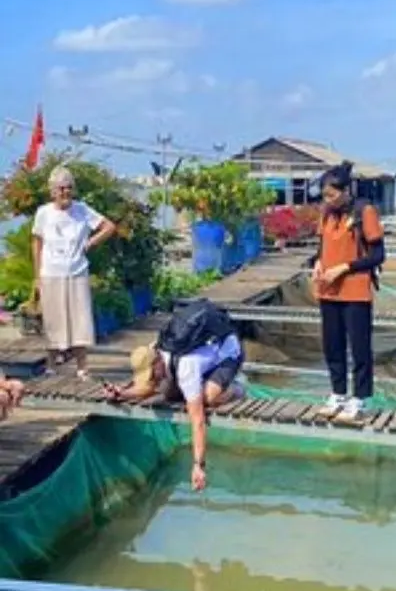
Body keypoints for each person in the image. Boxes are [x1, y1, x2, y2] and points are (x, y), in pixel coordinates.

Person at [106, 299, 250, 493]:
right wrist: (122, 393)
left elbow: (197, 421)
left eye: (151, 374)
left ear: (157, 362)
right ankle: (204, 383)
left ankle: (237, 389)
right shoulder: (156, 349)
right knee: (167, 392)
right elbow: (149, 387)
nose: (151, 379)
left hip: (228, 353)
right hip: (202, 357)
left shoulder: (186, 368)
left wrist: (198, 465)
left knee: (207, 399)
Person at [310, 164, 386, 421]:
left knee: (360, 347)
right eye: (324, 195)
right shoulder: (326, 213)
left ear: (345, 190)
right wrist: (318, 264)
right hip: (328, 290)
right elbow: (322, 247)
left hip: (355, 291)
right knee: (333, 345)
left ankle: (361, 399)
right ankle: (338, 393)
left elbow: (378, 255)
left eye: (332, 195)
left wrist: (344, 267)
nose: (327, 200)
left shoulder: (364, 211)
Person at [32, 166, 117, 378]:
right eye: (60, 188)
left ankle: (82, 366)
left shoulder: (82, 210)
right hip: (51, 272)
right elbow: (36, 243)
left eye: (68, 187)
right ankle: (51, 365)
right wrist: (36, 275)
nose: (65, 192)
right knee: (53, 320)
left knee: (80, 320)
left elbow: (109, 227)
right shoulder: (44, 213)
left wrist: (91, 242)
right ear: (52, 191)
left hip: (76, 271)